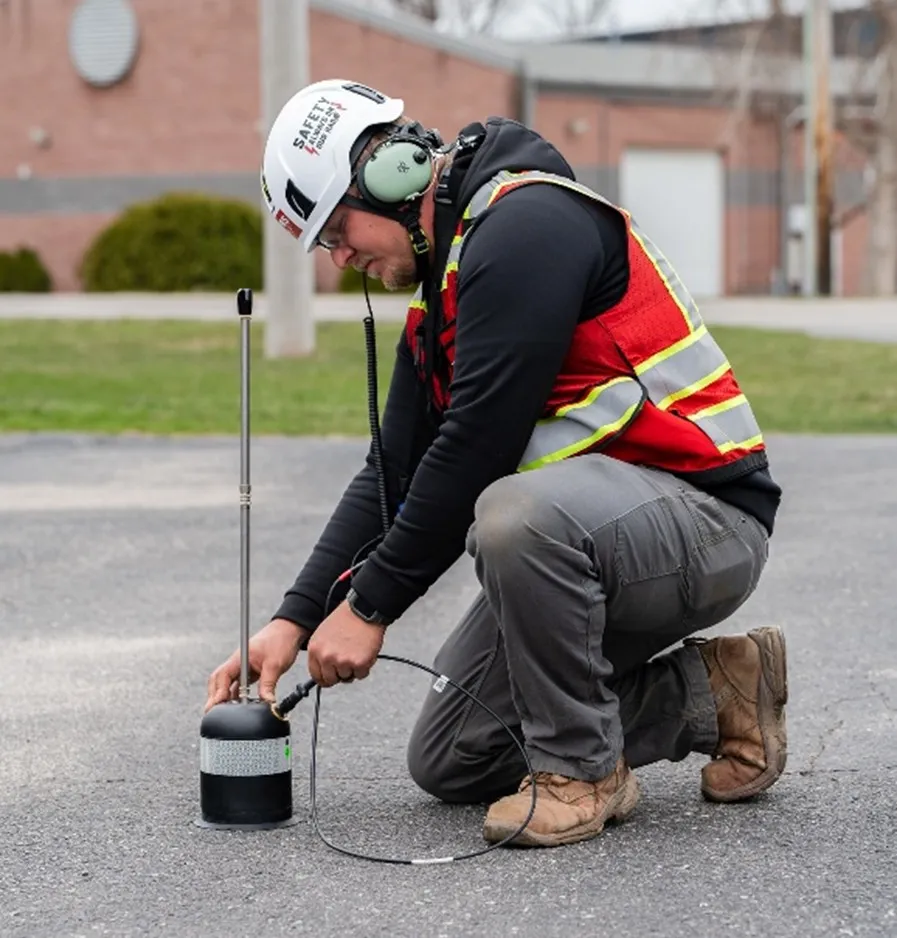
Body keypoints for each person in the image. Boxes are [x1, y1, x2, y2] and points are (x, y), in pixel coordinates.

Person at [205, 78, 787, 849]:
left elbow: (476, 446)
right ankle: (717, 694)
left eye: (337, 230)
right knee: (455, 754)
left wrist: (369, 605)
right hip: (593, 540)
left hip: (703, 524)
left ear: (392, 173)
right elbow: (393, 470)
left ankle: (581, 775)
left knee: (509, 513)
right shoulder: (443, 289)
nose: (339, 257)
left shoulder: (528, 227)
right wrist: (294, 618)